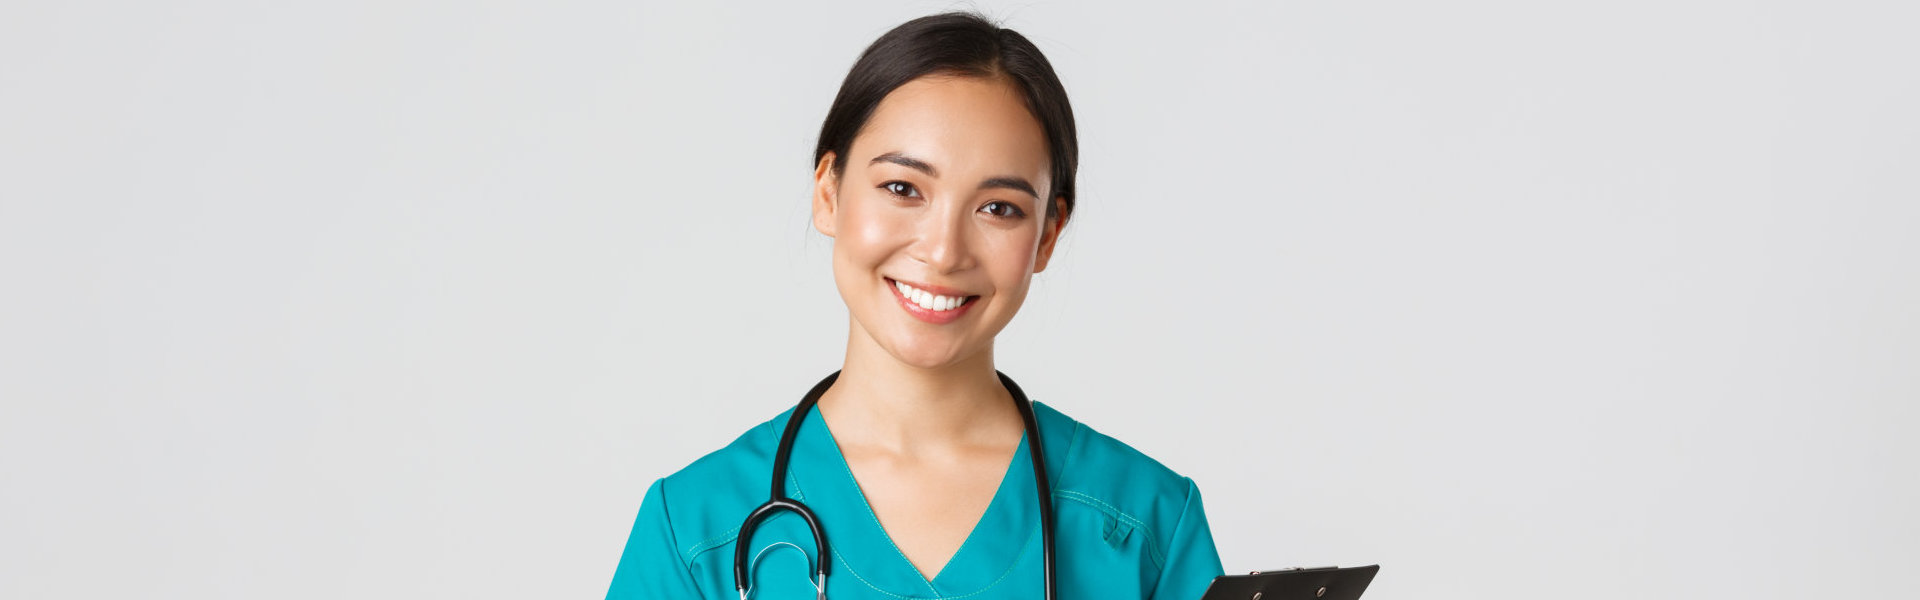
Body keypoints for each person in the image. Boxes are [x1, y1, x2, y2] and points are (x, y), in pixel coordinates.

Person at [607, 12, 1224, 599]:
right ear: (828, 191)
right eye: (902, 189)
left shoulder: (1145, 527)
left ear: (1048, 235)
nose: (943, 250)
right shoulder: (694, 531)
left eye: (999, 208)